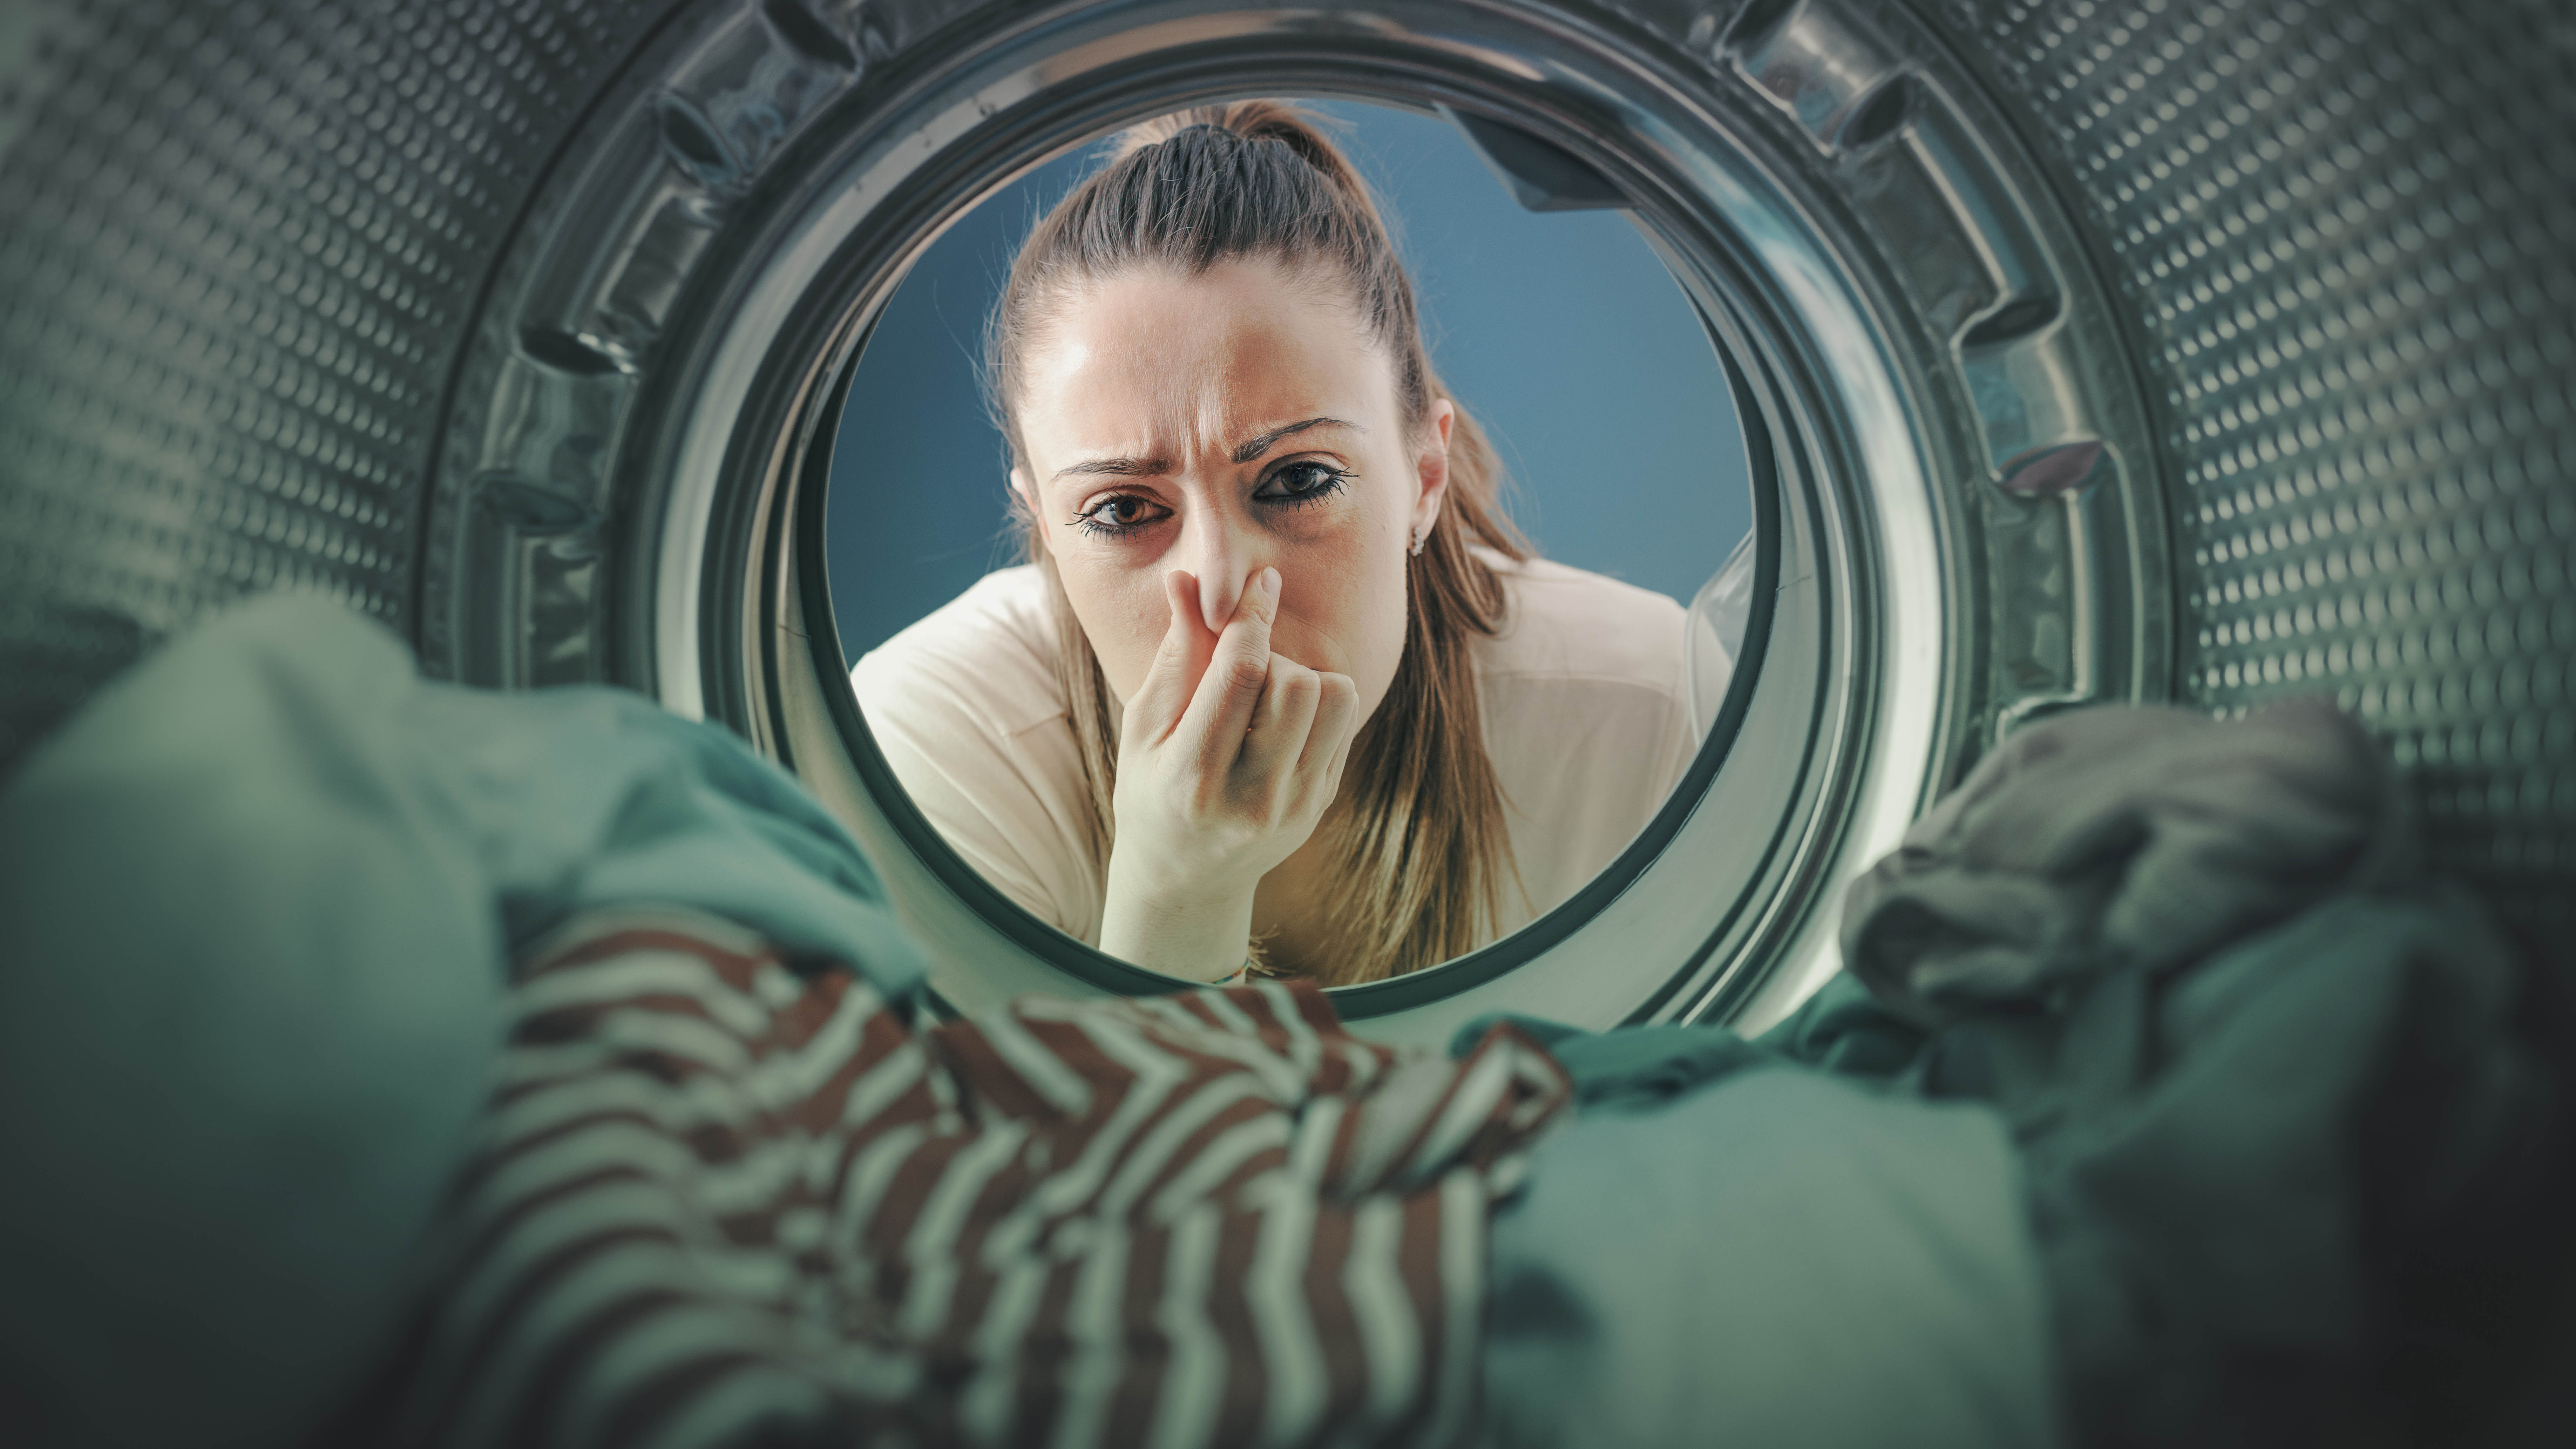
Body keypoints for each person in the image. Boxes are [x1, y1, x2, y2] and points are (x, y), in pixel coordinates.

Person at [853, 101, 1703, 985]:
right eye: (1123, 511)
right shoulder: (931, 755)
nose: (1221, 590)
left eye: (1298, 481)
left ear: (1423, 478)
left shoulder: (1651, 716)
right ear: (1043, 531)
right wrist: (1173, 896)